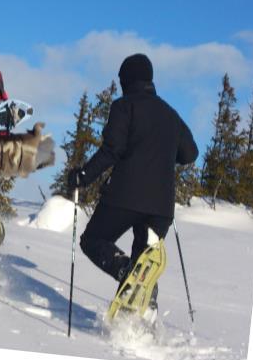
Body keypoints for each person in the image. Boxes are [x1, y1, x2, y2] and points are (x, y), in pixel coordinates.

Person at [68, 54, 198, 310]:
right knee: (144, 263)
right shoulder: (171, 115)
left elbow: (111, 151)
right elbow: (190, 153)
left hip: (125, 197)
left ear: (127, 79)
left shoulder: (124, 106)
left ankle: (126, 271)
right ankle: (139, 319)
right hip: (161, 207)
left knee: (93, 240)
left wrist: (83, 177)